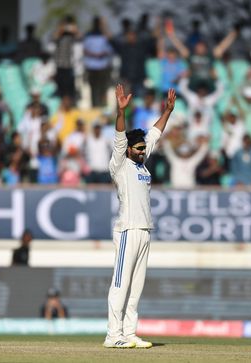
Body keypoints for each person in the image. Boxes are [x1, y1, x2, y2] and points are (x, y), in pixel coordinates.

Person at [104, 85, 176, 349]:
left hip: (145, 230)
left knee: (135, 288)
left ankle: (129, 332)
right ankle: (113, 336)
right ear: (128, 150)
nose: (143, 151)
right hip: (127, 231)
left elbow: (155, 133)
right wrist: (120, 112)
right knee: (121, 284)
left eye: (144, 148)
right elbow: (119, 137)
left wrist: (167, 111)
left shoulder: (142, 162)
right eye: (138, 148)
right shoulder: (120, 165)